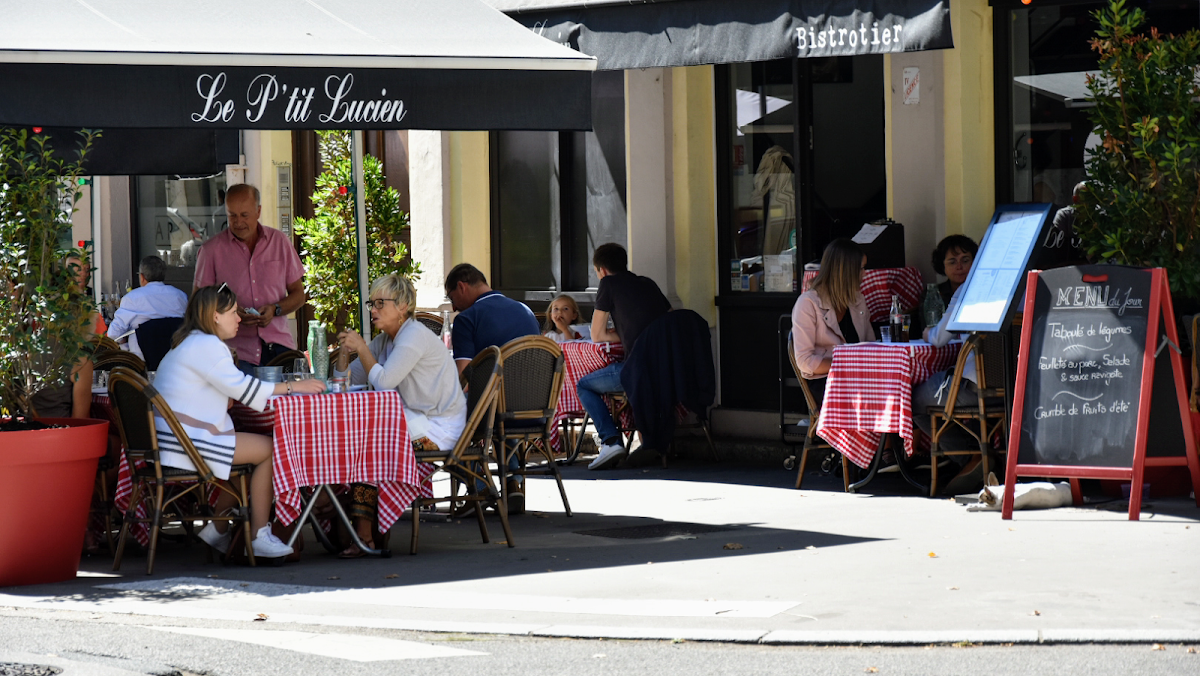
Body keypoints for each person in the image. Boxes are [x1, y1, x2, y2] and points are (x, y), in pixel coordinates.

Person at [154, 284, 325, 559]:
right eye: (233, 312)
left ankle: (218, 529)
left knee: (245, 453)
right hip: (187, 443)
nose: (239, 318)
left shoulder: (189, 342)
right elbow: (245, 390)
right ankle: (259, 535)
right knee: (269, 450)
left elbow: (227, 389)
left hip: (172, 440)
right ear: (214, 316)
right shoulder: (208, 345)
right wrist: (296, 387)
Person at [333, 274, 466, 558]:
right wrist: (345, 353)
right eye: (372, 303)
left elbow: (384, 381)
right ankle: (367, 534)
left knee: (367, 441)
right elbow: (344, 381)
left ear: (403, 306)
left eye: (381, 303)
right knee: (366, 441)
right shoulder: (386, 340)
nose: (373, 310)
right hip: (412, 422)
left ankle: (366, 535)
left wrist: (363, 349)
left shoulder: (413, 335)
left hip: (438, 427)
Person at [444, 263, 539, 511]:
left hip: (494, 413)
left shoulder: (467, 318)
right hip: (536, 408)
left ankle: (480, 482)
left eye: (452, 298)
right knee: (500, 403)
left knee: (440, 423)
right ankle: (514, 481)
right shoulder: (525, 311)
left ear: (462, 287)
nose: (454, 307)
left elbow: (465, 379)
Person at [193, 184, 305, 372]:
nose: (238, 222)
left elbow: (299, 295)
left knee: (289, 401)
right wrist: (232, 313)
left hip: (280, 349)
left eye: (244, 215)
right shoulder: (211, 250)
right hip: (234, 354)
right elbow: (198, 304)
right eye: (232, 216)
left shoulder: (279, 242)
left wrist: (275, 309)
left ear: (258, 211)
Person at [581, 243, 672, 470]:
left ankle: (610, 441)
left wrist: (620, 333)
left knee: (584, 385)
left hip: (637, 367)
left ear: (601, 270)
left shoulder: (608, 284)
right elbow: (670, 321)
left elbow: (596, 335)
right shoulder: (647, 283)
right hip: (667, 366)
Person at [790, 238, 875, 405]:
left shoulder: (857, 300)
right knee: (874, 400)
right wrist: (848, 364)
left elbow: (870, 345)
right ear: (847, 272)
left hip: (857, 378)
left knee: (901, 393)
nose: (865, 274)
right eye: (862, 269)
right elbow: (805, 361)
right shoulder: (808, 304)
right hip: (826, 381)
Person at [106, 255, 188, 359]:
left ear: (142, 277)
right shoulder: (180, 296)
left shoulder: (132, 298)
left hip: (141, 362)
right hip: (176, 358)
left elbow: (113, 334)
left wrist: (125, 345)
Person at [931, 235, 978, 308]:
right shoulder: (933, 294)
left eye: (965, 261)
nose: (959, 267)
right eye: (952, 262)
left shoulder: (983, 290)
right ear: (942, 265)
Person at [65, 254, 105, 336]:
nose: (83, 273)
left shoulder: (97, 295)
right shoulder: (63, 297)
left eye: (87, 270)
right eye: (79, 269)